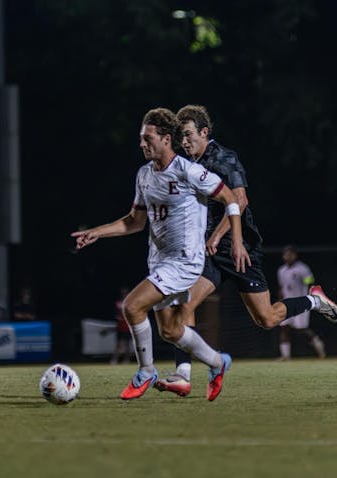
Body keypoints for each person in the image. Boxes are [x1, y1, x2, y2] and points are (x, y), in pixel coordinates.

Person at [155, 105, 337, 397]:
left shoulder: (224, 158)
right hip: (209, 252)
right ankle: (183, 375)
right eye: (181, 137)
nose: (184, 141)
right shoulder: (187, 165)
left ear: (204, 132)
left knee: (266, 319)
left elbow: (239, 201)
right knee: (184, 305)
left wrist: (226, 238)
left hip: (240, 249)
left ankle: (313, 300)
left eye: (188, 135)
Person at [71, 107, 251, 401]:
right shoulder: (144, 175)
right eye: (141, 138)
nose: (142, 144)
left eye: (148, 138)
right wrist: (97, 232)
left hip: (185, 262)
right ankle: (218, 363)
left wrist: (237, 241)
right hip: (159, 261)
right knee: (170, 330)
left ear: (166, 139)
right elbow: (135, 221)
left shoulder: (188, 171)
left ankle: (146, 371)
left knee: (132, 307)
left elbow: (231, 199)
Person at [277, 245, 326, 359]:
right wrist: (279, 301)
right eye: (286, 254)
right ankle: (285, 356)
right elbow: (281, 287)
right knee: (284, 327)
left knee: (301, 328)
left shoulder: (303, 269)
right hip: (287, 303)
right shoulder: (281, 270)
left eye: (290, 254)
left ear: (295, 255)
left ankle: (318, 344)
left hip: (301, 303)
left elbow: (310, 282)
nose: (288, 257)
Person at [109, 286, 133, 365]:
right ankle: (115, 359)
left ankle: (127, 360)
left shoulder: (130, 302)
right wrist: (118, 317)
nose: (124, 295)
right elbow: (116, 314)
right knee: (118, 344)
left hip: (127, 326)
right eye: (122, 293)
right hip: (120, 326)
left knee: (127, 344)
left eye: (125, 293)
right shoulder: (118, 303)